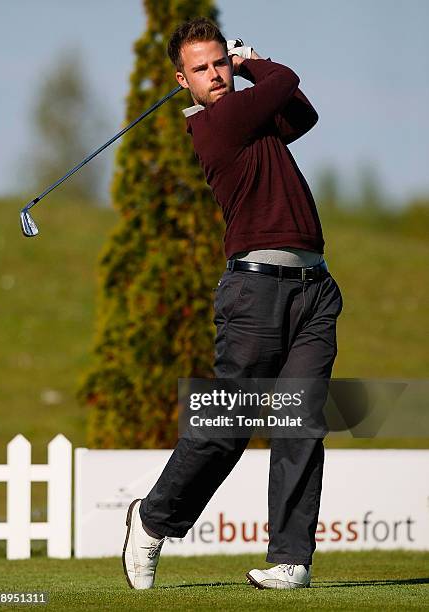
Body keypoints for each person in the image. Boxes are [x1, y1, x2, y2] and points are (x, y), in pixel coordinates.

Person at [122, 16, 343, 591]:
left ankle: (291, 559)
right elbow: (286, 77)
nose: (216, 74)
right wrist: (251, 62)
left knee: (300, 425)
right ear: (183, 81)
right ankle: (151, 520)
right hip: (255, 294)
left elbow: (304, 114)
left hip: (313, 290)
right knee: (227, 425)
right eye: (203, 69)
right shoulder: (217, 125)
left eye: (221, 62)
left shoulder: (254, 122)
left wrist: (251, 69)